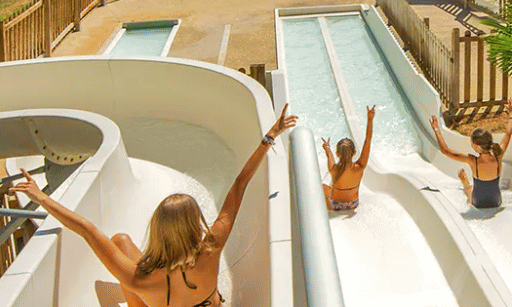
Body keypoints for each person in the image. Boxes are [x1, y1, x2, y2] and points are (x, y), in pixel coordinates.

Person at [11, 105, 297, 307]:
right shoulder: (211, 248)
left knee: (120, 244)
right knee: (123, 245)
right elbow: (239, 185)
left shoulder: (139, 278)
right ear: (195, 224)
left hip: (157, 295)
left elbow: (86, 229)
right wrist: (268, 138)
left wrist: (41, 197)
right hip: (203, 298)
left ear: (159, 230)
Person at [429, 99, 512, 209]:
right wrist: (511, 114)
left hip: (478, 202)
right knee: (478, 188)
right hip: (496, 201)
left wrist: (436, 129)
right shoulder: (499, 155)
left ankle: (465, 184)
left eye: (471, 142)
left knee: (469, 189)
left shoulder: (472, 160)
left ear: (478, 147)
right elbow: (508, 133)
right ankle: (467, 185)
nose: (470, 144)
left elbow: (445, 150)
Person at [322, 105, 375, 212]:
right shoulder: (360, 166)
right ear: (354, 152)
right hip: (353, 204)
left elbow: (329, 155)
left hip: (335, 205)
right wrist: (370, 119)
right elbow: (367, 141)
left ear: (337, 154)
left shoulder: (334, 168)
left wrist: (327, 147)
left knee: (322, 186)